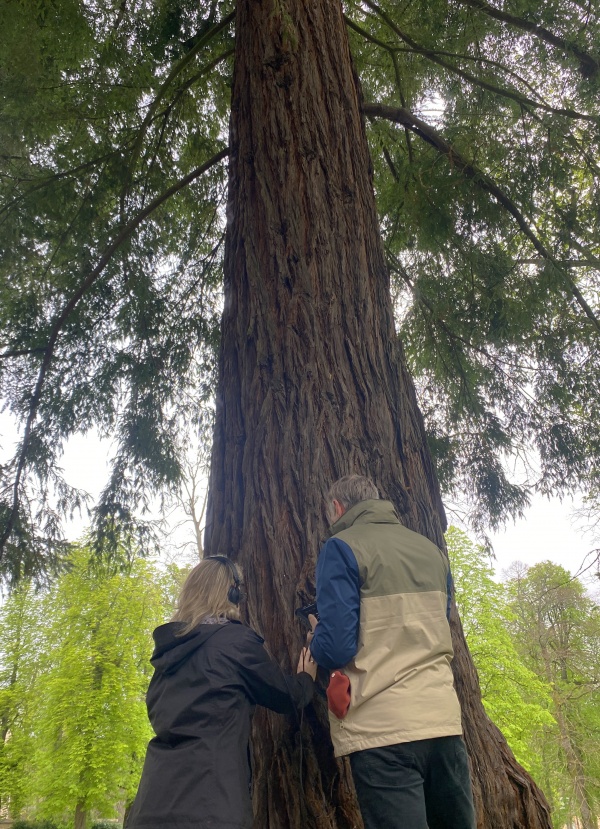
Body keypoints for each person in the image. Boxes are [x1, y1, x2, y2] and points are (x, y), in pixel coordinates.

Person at [308, 474, 476, 829]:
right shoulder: (431, 550)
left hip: (384, 730)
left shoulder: (341, 547)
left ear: (337, 508)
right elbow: (439, 624)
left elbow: (337, 646)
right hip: (443, 723)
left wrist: (314, 638)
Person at [126, 555, 316, 829]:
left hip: (150, 806)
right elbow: (287, 696)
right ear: (231, 592)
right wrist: (306, 677)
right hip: (210, 805)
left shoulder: (166, 656)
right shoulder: (234, 642)